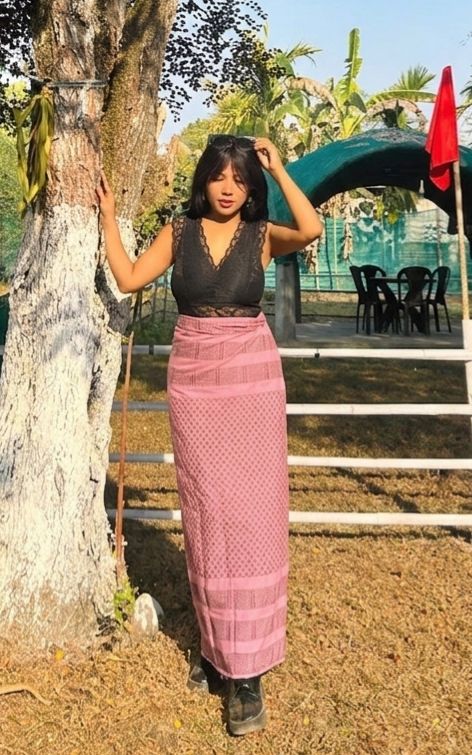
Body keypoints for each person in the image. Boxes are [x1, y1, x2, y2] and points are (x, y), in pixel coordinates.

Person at [96, 135, 323, 736]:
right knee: (207, 511)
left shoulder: (262, 234)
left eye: (241, 180)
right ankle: (214, 647)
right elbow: (128, 277)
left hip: (251, 379)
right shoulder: (179, 232)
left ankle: (247, 676)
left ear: (251, 188)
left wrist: (280, 169)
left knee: (253, 514)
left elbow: (313, 227)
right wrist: (109, 218)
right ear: (204, 180)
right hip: (194, 381)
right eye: (220, 177)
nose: (228, 188)